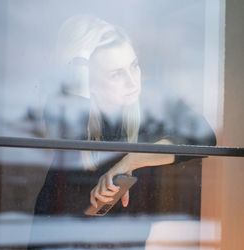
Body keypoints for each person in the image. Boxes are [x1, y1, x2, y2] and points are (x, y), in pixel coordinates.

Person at [30, 14, 216, 248]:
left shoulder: (150, 101)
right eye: (116, 74)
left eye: (134, 66)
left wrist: (129, 161)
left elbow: (204, 136)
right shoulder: (68, 107)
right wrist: (79, 70)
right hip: (63, 239)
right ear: (88, 81)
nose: (132, 82)